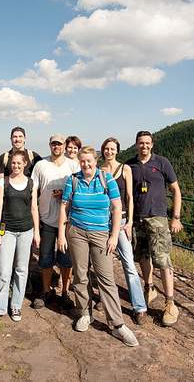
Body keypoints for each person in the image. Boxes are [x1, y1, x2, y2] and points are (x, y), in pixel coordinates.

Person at [57, 146, 139, 347]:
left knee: (106, 278)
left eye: (89, 161)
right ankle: (85, 313)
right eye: (82, 161)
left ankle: (117, 324)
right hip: (76, 232)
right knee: (80, 275)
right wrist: (61, 234)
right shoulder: (73, 180)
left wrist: (113, 235)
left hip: (101, 233)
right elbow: (64, 206)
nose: (85, 164)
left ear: (96, 161)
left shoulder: (106, 178)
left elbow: (118, 206)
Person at [126, 130, 183, 326]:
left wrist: (176, 217)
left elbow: (176, 189)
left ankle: (170, 303)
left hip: (158, 218)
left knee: (163, 261)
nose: (144, 146)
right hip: (137, 219)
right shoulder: (130, 165)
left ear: (152, 144)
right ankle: (149, 288)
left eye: (147, 143)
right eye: (141, 143)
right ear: (136, 144)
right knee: (142, 256)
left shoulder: (162, 163)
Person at [0, 150, 40, 322]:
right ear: (10, 164)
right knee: (4, 270)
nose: (16, 166)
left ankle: (16, 306)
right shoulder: (4, 182)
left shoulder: (31, 183)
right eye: (13, 163)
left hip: (26, 230)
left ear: (25, 164)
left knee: (22, 270)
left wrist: (37, 232)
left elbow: (34, 209)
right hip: (7, 230)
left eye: (19, 163)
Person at [100, 137, 147, 324]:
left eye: (112, 149)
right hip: (104, 220)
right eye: (106, 149)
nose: (109, 152)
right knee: (104, 263)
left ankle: (139, 307)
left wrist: (129, 224)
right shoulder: (100, 171)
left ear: (117, 151)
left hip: (122, 220)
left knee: (128, 262)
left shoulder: (125, 169)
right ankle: (106, 301)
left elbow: (130, 196)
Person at [29, 134, 79, 310]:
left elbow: (80, 189)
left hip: (68, 221)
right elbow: (33, 190)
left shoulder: (73, 165)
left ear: (65, 145)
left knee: (66, 260)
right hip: (46, 219)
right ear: (49, 145)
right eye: (54, 144)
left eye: (60, 144)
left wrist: (65, 193)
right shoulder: (41, 165)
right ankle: (45, 290)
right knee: (45, 257)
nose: (56, 146)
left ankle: (64, 291)